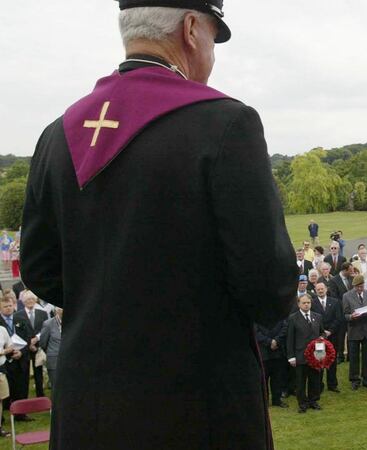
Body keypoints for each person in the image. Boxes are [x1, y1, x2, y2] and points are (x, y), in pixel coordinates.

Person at [20, 3, 297, 447]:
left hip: (87, 407)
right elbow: (269, 284)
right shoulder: (227, 123)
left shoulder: (57, 133)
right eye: (212, 35)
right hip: (196, 405)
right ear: (191, 29)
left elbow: (39, 269)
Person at [286, 295, 325, 413]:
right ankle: (302, 403)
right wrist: (291, 356)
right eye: (304, 303)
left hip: (316, 355)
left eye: (308, 302)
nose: (306, 304)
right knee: (300, 381)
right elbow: (290, 339)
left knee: (315, 379)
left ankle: (313, 400)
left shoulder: (317, 317)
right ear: (299, 304)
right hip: (300, 355)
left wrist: (322, 340)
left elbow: (322, 333)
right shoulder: (293, 318)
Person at [342, 275, 367, 390]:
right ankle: (354, 380)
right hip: (354, 330)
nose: (360, 289)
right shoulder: (346, 296)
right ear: (354, 286)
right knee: (354, 357)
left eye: (361, 286)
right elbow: (344, 314)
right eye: (358, 287)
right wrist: (351, 316)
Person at [14, 290, 49, 398]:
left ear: (35, 300)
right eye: (27, 299)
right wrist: (29, 343)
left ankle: (40, 395)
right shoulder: (18, 315)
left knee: (38, 372)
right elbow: (18, 332)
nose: (30, 301)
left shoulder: (42, 313)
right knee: (24, 373)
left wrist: (37, 339)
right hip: (24, 348)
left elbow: (46, 329)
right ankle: (23, 396)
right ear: (23, 302)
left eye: (32, 299)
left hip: (38, 347)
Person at [310, 283, 343, 393]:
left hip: (333, 336)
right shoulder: (313, 303)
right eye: (318, 289)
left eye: (322, 289)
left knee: (332, 360)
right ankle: (319, 385)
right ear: (315, 290)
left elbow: (339, 318)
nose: (320, 291)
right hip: (319, 337)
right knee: (319, 359)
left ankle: (332, 384)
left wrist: (330, 331)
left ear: (326, 289)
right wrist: (322, 333)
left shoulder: (335, 302)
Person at [256, 319, 289, 409]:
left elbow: (285, 328)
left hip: (278, 353)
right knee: (264, 379)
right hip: (264, 354)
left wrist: (276, 341)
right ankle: (264, 401)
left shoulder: (279, 316)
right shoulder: (257, 317)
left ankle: (277, 400)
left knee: (278, 378)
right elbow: (256, 333)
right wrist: (269, 342)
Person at [0, 296, 21, 436]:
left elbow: (10, 345)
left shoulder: (2, 330)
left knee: (0, 400)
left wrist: (13, 351)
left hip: (1, 370)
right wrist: (4, 351)